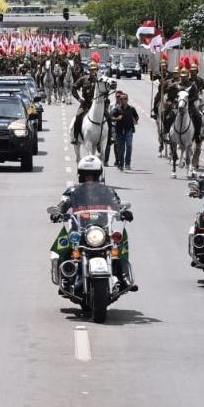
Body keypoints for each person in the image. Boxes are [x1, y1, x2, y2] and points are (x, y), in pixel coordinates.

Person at [49, 156, 137, 291]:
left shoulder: (107, 191)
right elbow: (63, 204)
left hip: (102, 229)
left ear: (98, 176)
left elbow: (117, 204)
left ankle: (124, 276)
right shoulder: (73, 192)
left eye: (93, 175)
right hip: (80, 229)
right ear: (81, 176)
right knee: (65, 242)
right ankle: (66, 276)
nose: (89, 178)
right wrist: (58, 212)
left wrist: (123, 212)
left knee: (119, 240)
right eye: (86, 175)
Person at [70, 61, 101, 145]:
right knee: (78, 116)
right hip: (86, 103)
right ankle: (75, 138)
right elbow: (73, 88)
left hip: (97, 104)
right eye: (91, 70)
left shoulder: (100, 80)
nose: (92, 71)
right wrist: (79, 98)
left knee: (108, 117)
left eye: (94, 70)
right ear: (89, 70)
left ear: (96, 70)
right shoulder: (83, 79)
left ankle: (110, 138)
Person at [111, 93, 138, 171]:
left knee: (129, 146)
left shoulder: (131, 109)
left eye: (125, 98)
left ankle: (127, 163)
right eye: (121, 99)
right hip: (119, 131)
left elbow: (136, 117)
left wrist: (135, 120)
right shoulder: (117, 109)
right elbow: (111, 117)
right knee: (121, 148)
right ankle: (120, 164)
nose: (123, 100)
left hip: (128, 130)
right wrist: (117, 118)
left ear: (127, 99)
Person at [189, 58, 204, 136]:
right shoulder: (187, 80)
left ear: (197, 71)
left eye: (194, 70)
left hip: (198, 99)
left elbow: (203, 91)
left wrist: (201, 96)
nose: (193, 72)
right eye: (192, 70)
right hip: (190, 100)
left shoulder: (200, 80)